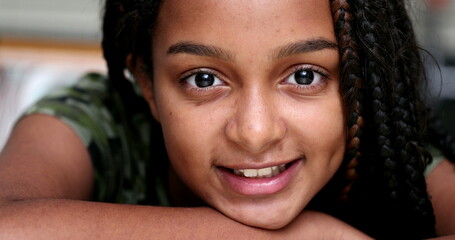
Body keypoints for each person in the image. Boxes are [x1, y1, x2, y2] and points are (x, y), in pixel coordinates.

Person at [0, 0, 454, 239]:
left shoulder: (389, 159)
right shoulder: (96, 120)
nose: (255, 133)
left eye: (303, 75)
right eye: (202, 79)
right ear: (147, 84)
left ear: (359, 82)